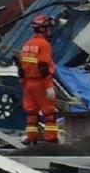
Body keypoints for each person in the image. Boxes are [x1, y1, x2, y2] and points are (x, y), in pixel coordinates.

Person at [15, 14, 58, 144]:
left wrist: (23, 84)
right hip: (41, 83)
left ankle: (31, 137)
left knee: (31, 112)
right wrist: (49, 85)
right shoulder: (44, 45)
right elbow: (43, 66)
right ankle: (50, 138)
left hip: (28, 83)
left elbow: (21, 68)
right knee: (49, 112)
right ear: (44, 29)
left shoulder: (27, 45)